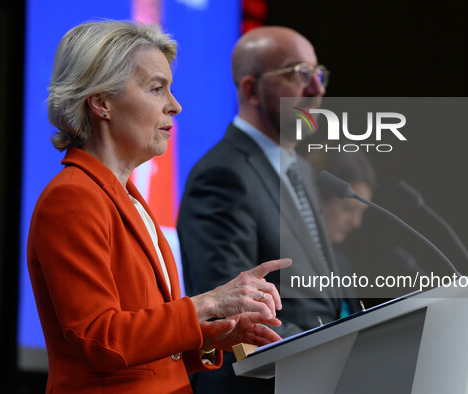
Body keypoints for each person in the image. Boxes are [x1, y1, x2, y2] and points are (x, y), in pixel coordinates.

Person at [27, 20, 291, 394]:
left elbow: (145, 347)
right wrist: (211, 302)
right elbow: (99, 339)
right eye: (156, 89)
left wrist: (214, 336)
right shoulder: (72, 197)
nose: (175, 106)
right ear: (102, 103)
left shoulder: (129, 198)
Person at [177, 26, 341, 393]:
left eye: (318, 74)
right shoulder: (222, 175)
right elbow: (234, 312)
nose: (317, 89)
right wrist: (340, 345)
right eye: (299, 74)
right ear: (251, 89)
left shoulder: (298, 170)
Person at [305, 150, 376, 315]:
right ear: (317, 197)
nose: (356, 223)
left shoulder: (341, 263)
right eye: (348, 209)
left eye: (362, 212)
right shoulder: (286, 259)